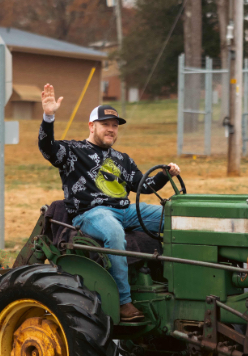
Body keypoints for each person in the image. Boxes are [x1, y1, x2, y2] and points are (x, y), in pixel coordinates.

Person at [38, 84, 181, 322]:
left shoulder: (122, 159)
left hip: (126, 210)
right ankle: (124, 303)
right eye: (106, 125)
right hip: (92, 213)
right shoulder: (73, 151)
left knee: (175, 218)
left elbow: (144, 187)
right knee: (114, 233)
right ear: (92, 126)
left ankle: (174, 284)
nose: (111, 130)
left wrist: (165, 174)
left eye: (115, 126)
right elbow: (47, 147)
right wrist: (48, 116)